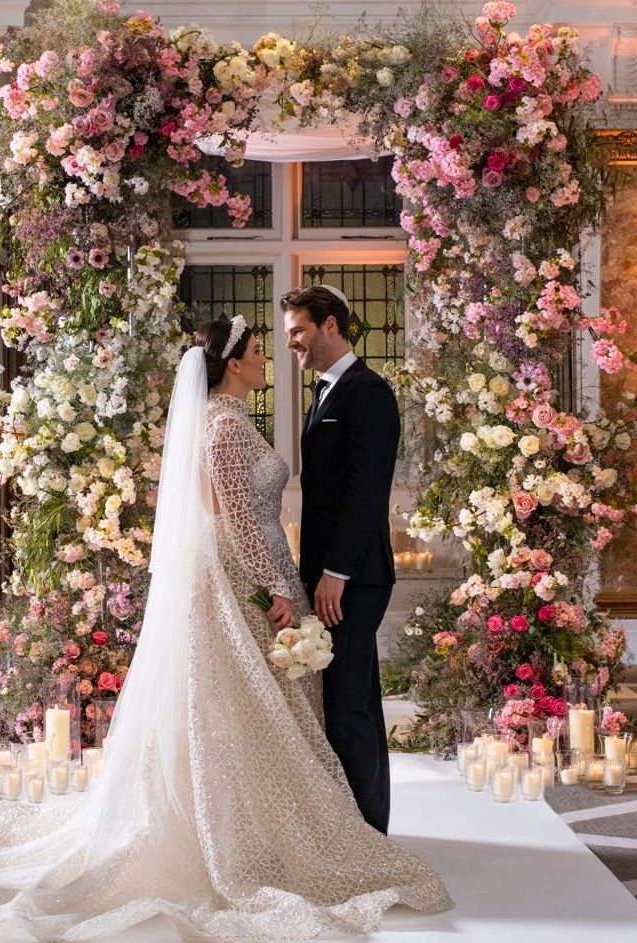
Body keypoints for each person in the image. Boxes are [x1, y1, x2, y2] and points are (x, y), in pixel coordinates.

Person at [0, 316, 451, 942]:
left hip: (241, 574)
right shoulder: (225, 426)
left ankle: (252, 827)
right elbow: (236, 520)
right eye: (258, 351)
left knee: (239, 713)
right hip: (242, 582)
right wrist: (277, 592)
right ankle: (241, 838)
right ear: (232, 363)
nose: (266, 360)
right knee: (239, 712)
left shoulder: (223, 421)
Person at [282, 285, 400, 835]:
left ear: (331, 325)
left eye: (299, 331)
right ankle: (365, 827)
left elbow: (366, 492)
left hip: (353, 577)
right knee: (354, 699)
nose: (292, 344)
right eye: (288, 336)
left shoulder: (367, 392)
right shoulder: (327, 391)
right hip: (332, 574)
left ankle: (365, 837)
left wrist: (336, 573)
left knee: (348, 704)